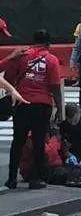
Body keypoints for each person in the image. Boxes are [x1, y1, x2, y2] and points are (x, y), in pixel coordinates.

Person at [1, 30, 63, 190]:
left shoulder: (20, 56)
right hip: (42, 105)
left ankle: (12, 178)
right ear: (48, 44)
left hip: (22, 103)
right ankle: (36, 179)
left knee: (18, 141)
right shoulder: (52, 60)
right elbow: (55, 86)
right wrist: (59, 108)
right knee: (38, 141)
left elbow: (7, 78)